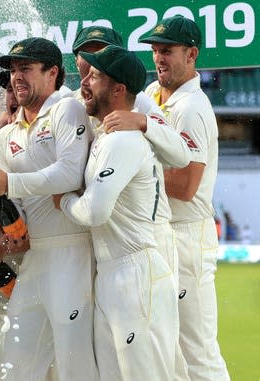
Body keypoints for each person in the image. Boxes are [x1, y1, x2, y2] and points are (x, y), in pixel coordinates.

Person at [72, 26, 192, 381]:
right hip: (110, 263)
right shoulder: (76, 103)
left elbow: (182, 155)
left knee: (164, 367)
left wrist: (142, 123)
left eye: (98, 62)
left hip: (141, 253)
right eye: (86, 56)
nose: (87, 72)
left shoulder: (137, 107)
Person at [0, 37, 98, 381]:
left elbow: (69, 173)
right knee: (14, 365)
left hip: (72, 250)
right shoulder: (5, 136)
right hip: (34, 259)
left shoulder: (66, 108)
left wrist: (9, 185)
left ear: (53, 73)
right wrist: (4, 239)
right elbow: (13, 211)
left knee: (76, 367)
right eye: (13, 70)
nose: (17, 77)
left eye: (26, 68)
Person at [139, 16, 231, 381]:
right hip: (162, 233)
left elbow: (185, 185)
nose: (159, 58)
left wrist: (132, 173)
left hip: (187, 235)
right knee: (169, 352)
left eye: (168, 51)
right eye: (156, 50)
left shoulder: (193, 107)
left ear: (192, 54)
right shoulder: (150, 94)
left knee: (197, 352)